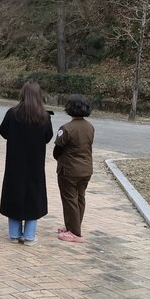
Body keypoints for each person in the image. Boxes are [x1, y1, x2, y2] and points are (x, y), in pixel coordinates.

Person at [0, 81, 53, 245]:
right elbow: (48, 137)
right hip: (35, 165)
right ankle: (29, 236)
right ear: (39, 96)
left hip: (15, 163)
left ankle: (14, 235)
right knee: (33, 196)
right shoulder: (44, 116)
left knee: (14, 194)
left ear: (22, 94)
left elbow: (3, 131)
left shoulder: (12, 113)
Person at [53, 94, 95, 242]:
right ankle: (73, 226)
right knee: (80, 197)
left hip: (69, 169)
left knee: (69, 199)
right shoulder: (90, 127)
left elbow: (57, 150)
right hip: (86, 168)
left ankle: (75, 232)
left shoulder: (66, 128)